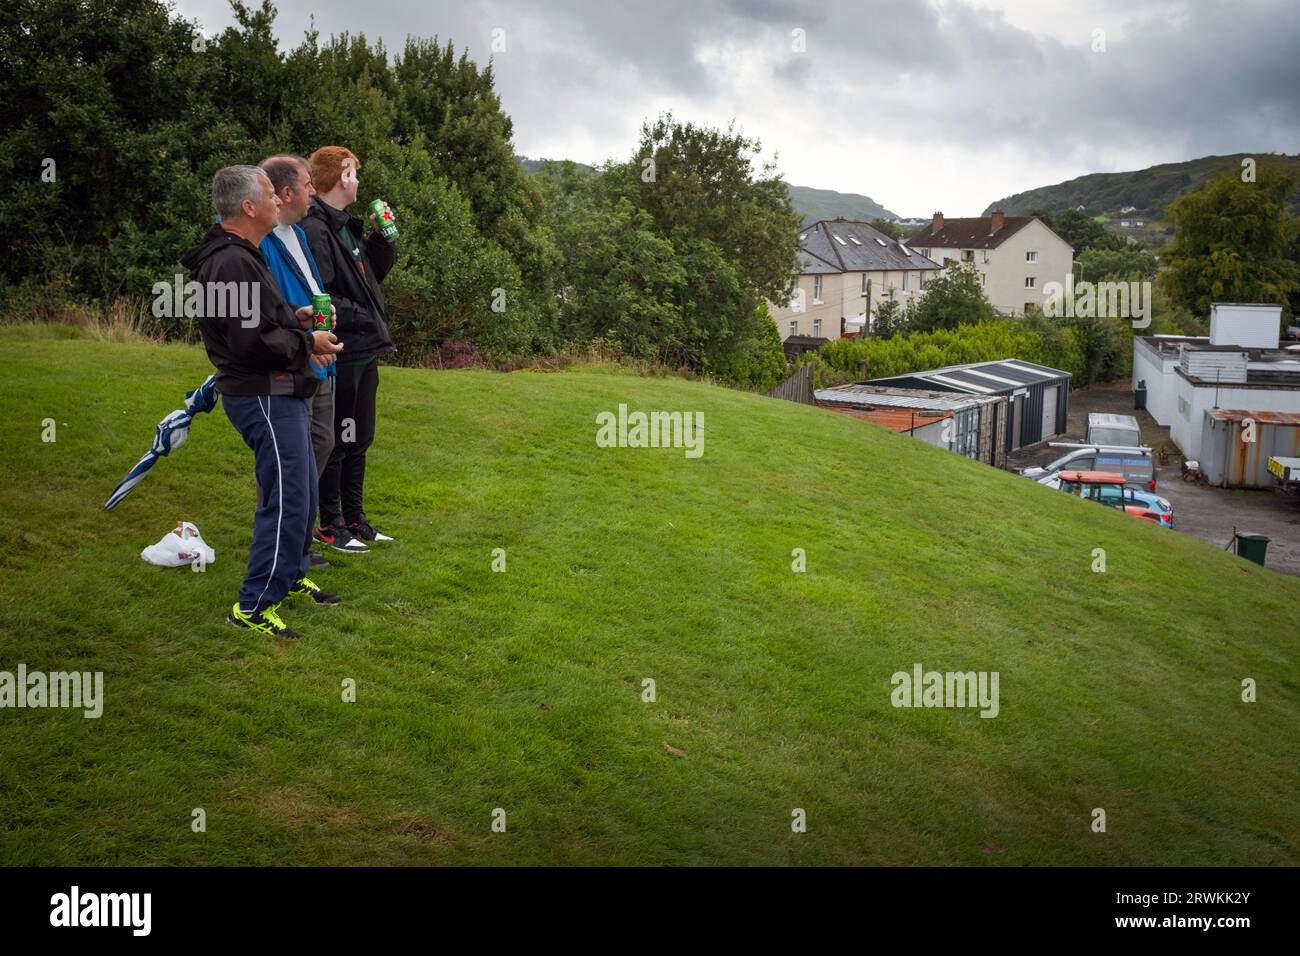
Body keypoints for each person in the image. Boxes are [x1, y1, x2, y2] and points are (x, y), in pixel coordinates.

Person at [181, 165, 344, 639]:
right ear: (249, 207)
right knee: (287, 497)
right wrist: (307, 342)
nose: (280, 201)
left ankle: (290, 575)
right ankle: (253, 606)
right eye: (271, 194)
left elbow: (256, 323)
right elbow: (248, 342)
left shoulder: (244, 255)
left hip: (279, 388)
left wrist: (291, 317)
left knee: (304, 492)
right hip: (261, 394)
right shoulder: (229, 261)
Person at [257, 154, 363, 561]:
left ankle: (299, 538)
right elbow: (267, 306)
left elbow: (313, 288)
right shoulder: (261, 240)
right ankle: (284, 544)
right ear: (286, 193)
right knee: (289, 457)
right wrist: (305, 339)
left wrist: (326, 317)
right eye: (306, 186)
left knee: (321, 442)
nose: (313, 192)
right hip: (294, 359)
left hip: (321, 356)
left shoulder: (297, 235)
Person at [301, 146, 398, 551]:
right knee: (337, 440)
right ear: (343, 177)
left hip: (365, 350)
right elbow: (320, 293)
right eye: (354, 174)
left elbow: (370, 276)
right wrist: (364, 314)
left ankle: (356, 518)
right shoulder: (316, 229)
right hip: (340, 349)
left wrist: (383, 236)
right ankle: (331, 522)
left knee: (360, 439)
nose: (357, 180)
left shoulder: (344, 226)